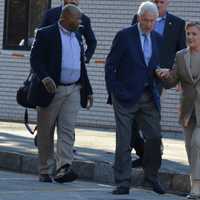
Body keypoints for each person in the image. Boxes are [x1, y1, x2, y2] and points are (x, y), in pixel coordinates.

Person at [105, 1, 165, 195]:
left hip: (148, 96)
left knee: (155, 138)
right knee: (124, 142)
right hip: (124, 97)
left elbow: (155, 66)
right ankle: (123, 182)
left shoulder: (157, 38)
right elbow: (110, 65)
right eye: (146, 20)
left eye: (152, 21)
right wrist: (114, 91)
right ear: (139, 18)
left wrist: (159, 79)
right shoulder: (124, 36)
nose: (149, 24)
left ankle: (152, 177)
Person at [30, 4, 93, 183]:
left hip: (73, 88)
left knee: (67, 129)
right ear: (64, 19)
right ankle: (45, 170)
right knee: (45, 130)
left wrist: (88, 90)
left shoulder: (78, 36)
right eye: (77, 19)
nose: (80, 23)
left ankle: (63, 167)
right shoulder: (46, 34)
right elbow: (35, 59)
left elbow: (81, 65)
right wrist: (44, 77)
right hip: (52, 89)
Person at [131, 0, 186, 169]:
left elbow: (182, 53)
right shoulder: (138, 18)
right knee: (132, 118)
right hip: (137, 76)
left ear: (167, 2)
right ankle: (144, 153)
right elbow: (132, 43)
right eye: (155, 1)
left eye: (161, 2)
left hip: (160, 78)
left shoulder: (177, 24)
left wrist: (180, 78)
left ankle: (153, 155)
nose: (158, 4)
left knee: (151, 115)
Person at [156, 21, 200, 199]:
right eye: (188, 34)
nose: (190, 37)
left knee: (198, 143)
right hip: (187, 109)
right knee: (190, 148)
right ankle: (195, 183)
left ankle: (196, 186)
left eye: (194, 34)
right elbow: (173, 80)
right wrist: (164, 76)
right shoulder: (181, 56)